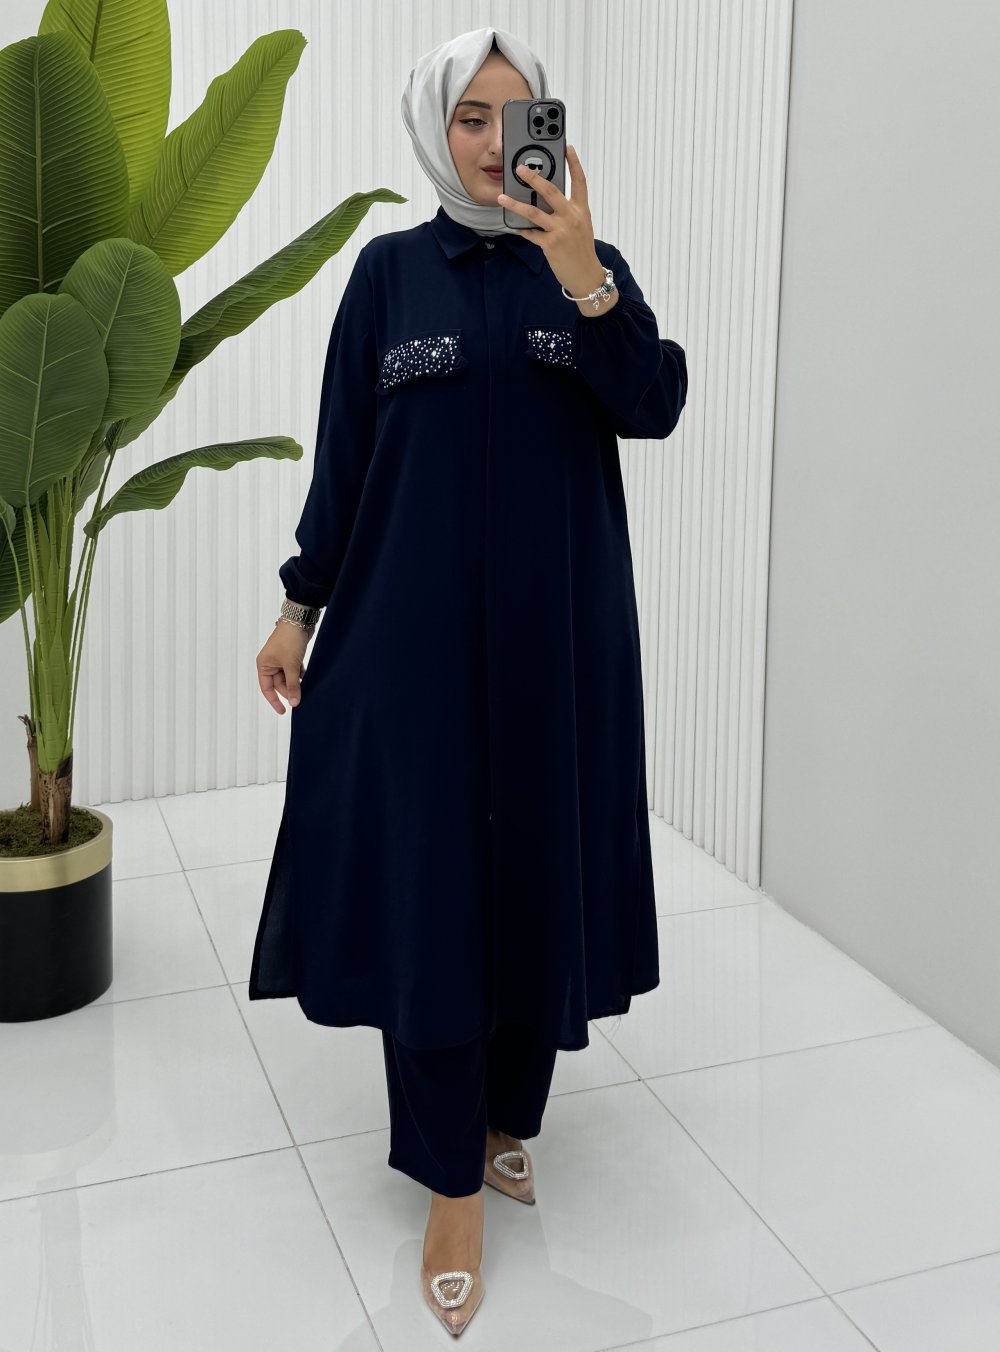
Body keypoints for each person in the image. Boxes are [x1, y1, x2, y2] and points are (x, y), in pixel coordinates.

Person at [251, 24, 687, 1338]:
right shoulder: (389, 276)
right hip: (412, 652)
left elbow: (655, 404)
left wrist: (585, 278)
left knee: (537, 874)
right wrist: (298, 605)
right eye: (471, 118)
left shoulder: (588, 265)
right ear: (435, 129)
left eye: (519, 115)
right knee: (435, 893)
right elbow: (344, 458)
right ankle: (450, 1182)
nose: (498, 143)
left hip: (560, 645)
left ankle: (508, 1119)